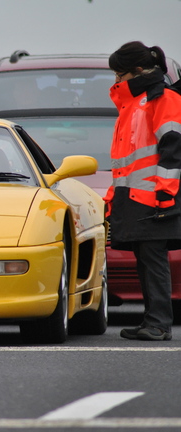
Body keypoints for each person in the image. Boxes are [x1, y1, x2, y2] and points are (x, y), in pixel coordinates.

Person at [105, 41, 181, 341]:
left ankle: (159, 324)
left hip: (154, 197)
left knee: (153, 260)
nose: (115, 82)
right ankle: (153, 321)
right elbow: (128, 159)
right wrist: (114, 196)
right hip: (136, 197)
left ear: (136, 71)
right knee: (146, 260)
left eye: (118, 75)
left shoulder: (163, 99)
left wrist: (165, 192)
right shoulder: (136, 104)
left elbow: (173, 149)